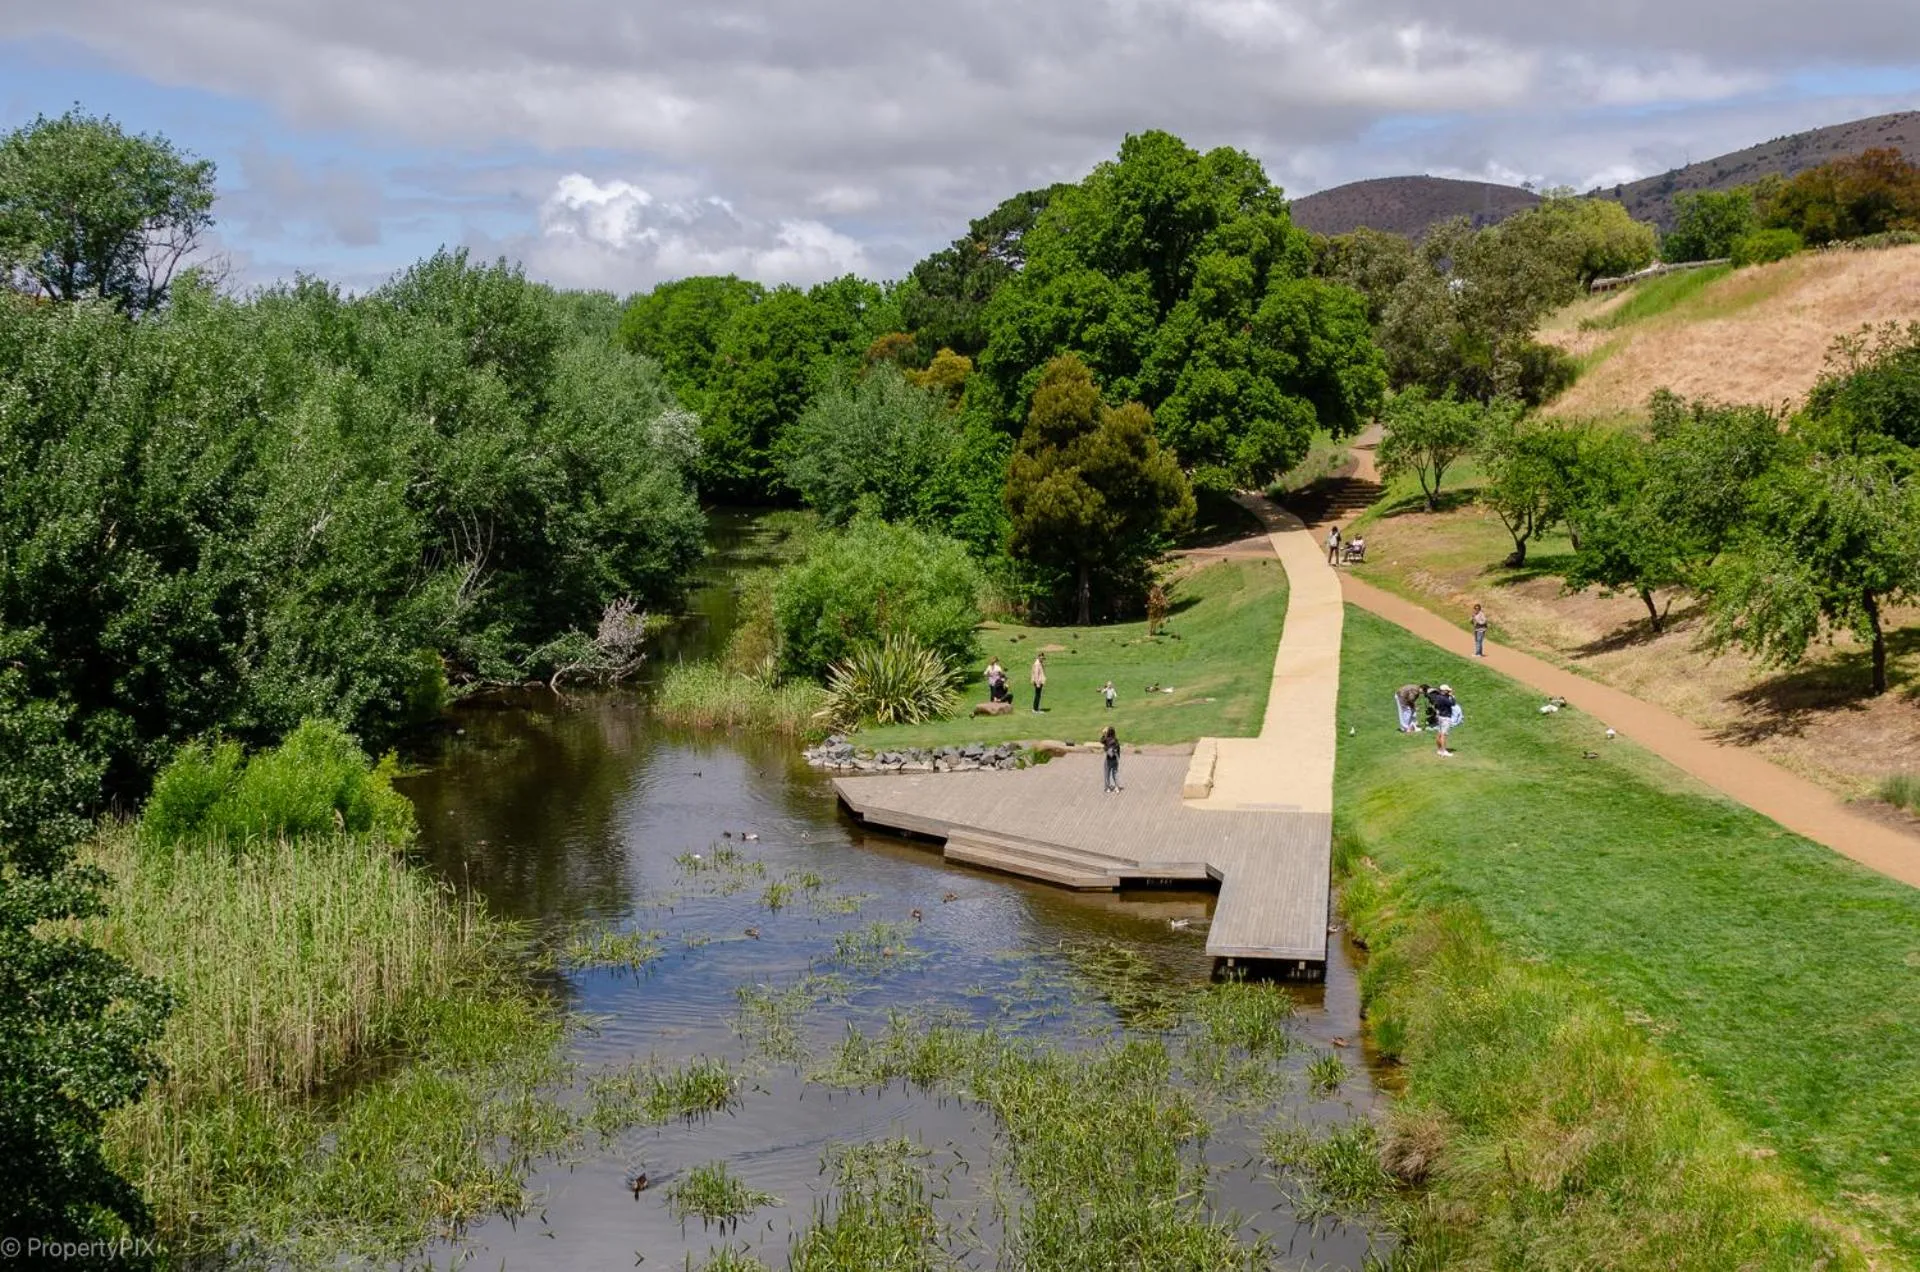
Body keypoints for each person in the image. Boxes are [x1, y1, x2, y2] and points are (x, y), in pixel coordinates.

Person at [1429, 683, 1461, 756]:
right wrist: (1452, 696)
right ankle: (1444, 751)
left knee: (1439, 734)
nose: (1448, 692)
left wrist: (1448, 695)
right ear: (1444, 691)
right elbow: (1453, 703)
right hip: (1446, 718)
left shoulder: (1438, 697)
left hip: (1440, 717)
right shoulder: (1444, 698)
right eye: (1447, 690)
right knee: (1444, 735)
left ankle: (1439, 750)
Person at [1101, 724, 1122, 793]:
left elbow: (1101, 740)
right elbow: (1118, 750)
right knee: (1115, 774)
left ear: (1108, 733)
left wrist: (1104, 733)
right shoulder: (1116, 740)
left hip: (1108, 760)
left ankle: (1108, 788)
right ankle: (1117, 787)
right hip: (1115, 760)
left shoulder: (1106, 740)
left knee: (1107, 773)